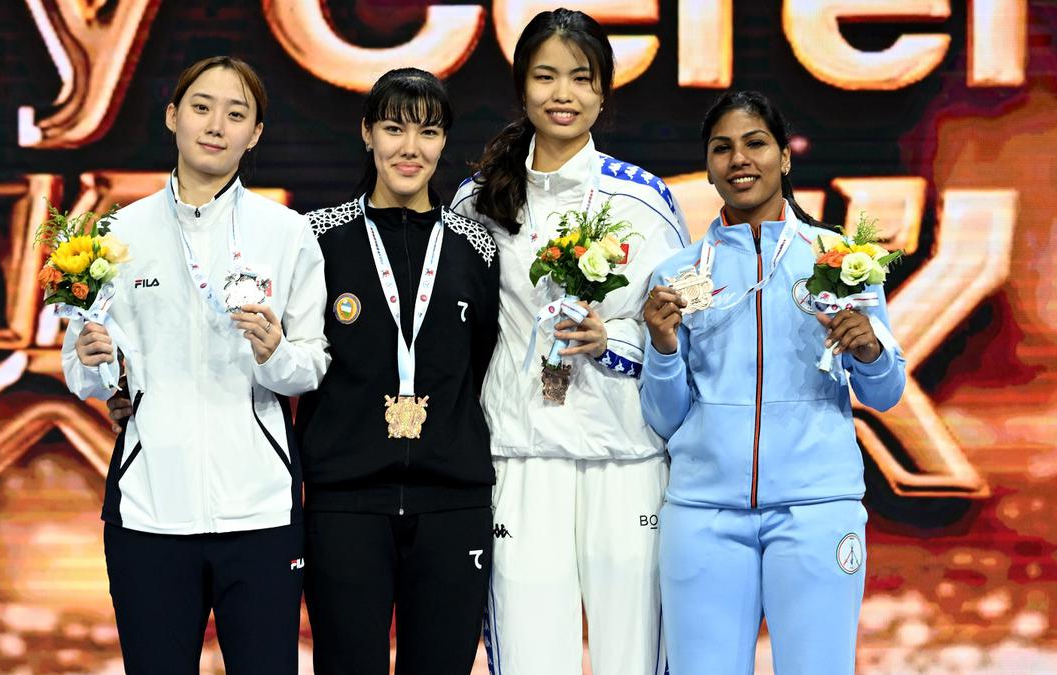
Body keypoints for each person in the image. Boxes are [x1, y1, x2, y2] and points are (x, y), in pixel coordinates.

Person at [62, 55, 328, 674]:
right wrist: (91, 363)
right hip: (150, 510)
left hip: (260, 511)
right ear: (172, 117)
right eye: (202, 108)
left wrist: (274, 352)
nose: (216, 125)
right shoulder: (115, 234)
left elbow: (310, 368)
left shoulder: (286, 234)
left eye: (237, 114)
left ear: (255, 133)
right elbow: (85, 372)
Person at [451, 9, 688, 674]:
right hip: (522, 458)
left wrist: (607, 339)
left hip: (627, 457)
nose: (563, 94)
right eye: (545, 76)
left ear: (604, 91)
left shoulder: (643, 198)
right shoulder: (479, 201)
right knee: (529, 659)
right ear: (521, 86)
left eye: (580, 79)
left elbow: (679, 321)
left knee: (635, 657)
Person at [640, 90, 907, 674]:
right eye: (723, 148)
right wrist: (662, 349)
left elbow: (885, 393)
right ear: (708, 167)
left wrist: (868, 350)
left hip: (816, 512)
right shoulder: (676, 275)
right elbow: (664, 418)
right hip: (705, 515)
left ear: (784, 157)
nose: (740, 159)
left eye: (755, 143)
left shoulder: (842, 259)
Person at [296, 67, 500, 675]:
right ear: (367, 134)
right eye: (393, 129)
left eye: (428, 132)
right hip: (345, 500)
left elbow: (481, 361)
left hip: (452, 502)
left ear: (444, 143)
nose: (410, 149)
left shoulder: (476, 247)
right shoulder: (317, 238)